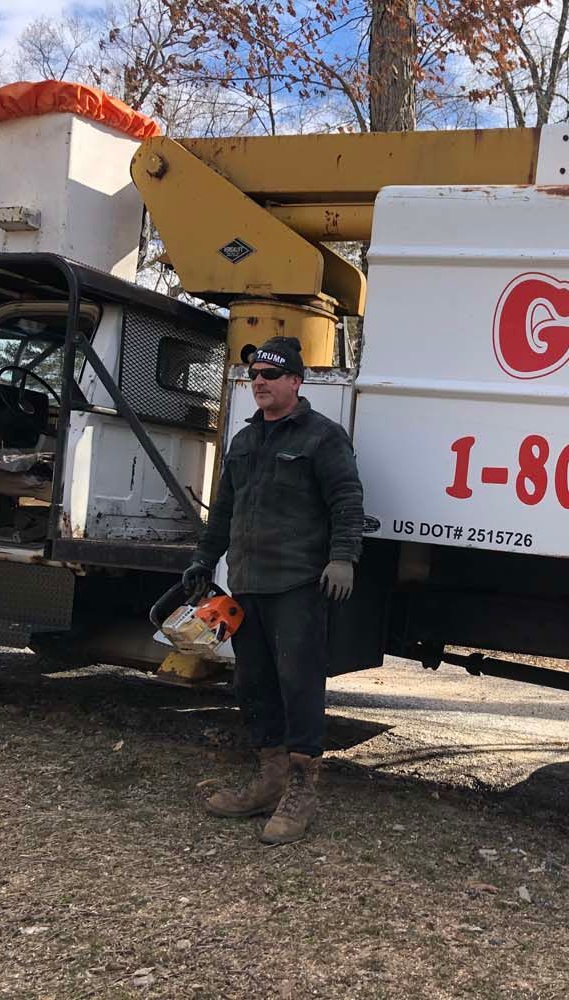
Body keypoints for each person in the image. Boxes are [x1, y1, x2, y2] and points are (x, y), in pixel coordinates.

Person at [182, 335, 364, 845]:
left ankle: (303, 791)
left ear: (295, 382)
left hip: (299, 584)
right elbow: (223, 512)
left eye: (270, 374)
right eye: (254, 375)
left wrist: (344, 558)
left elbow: (347, 499)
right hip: (247, 584)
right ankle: (269, 778)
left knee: (298, 682)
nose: (259, 382)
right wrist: (202, 558)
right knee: (253, 681)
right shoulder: (243, 442)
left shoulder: (322, 437)